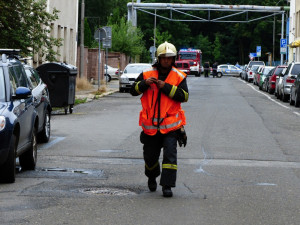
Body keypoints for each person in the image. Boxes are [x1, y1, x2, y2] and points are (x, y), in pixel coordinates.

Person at [130, 41, 189, 197]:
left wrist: (166, 87)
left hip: (170, 127)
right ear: (158, 58)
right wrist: (143, 84)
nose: (166, 61)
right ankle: (151, 176)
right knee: (150, 158)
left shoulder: (179, 76)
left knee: (170, 156)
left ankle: (167, 186)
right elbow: (132, 90)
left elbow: (184, 96)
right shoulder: (147, 74)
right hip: (150, 127)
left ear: (173, 59)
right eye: (164, 58)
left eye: (169, 58)